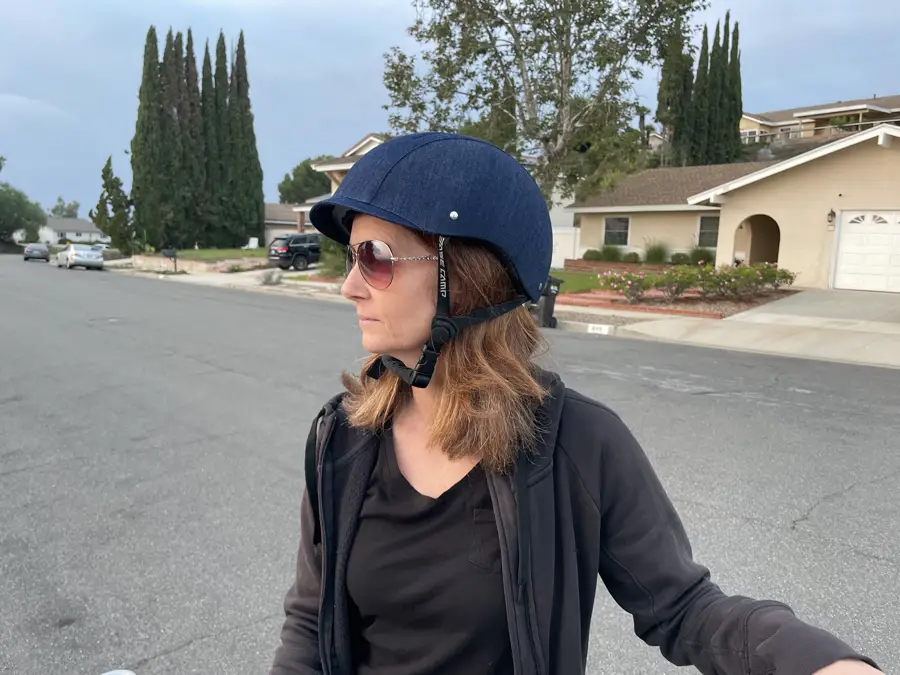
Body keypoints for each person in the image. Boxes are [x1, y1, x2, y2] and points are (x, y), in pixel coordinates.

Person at [270, 132, 881, 675]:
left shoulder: (578, 443)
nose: (348, 285)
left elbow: (687, 609)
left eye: (375, 258)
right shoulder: (341, 438)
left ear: (472, 275)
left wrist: (821, 662)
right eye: (351, 258)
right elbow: (308, 619)